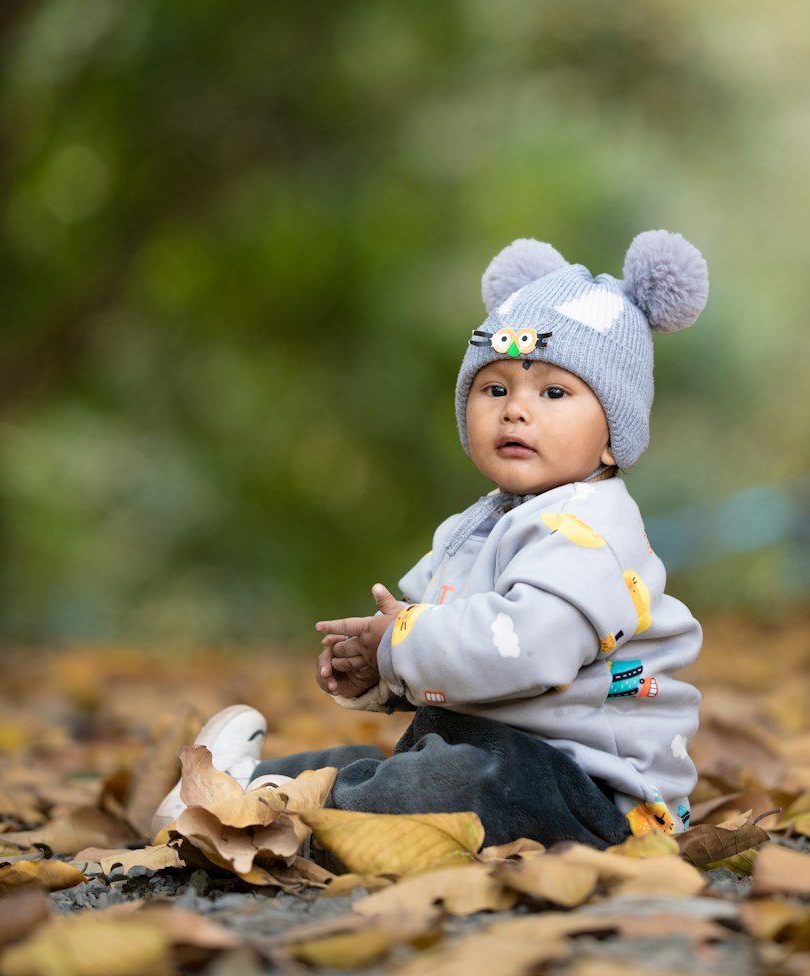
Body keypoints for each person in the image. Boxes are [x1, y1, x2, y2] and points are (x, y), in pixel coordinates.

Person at [153, 230, 709, 850]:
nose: (515, 411)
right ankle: (231, 788)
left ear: (614, 435)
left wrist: (400, 645)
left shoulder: (591, 530)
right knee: (370, 765)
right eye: (494, 389)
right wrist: (378, 667)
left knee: (433, 785)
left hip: (591, 790)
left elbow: (523, 650)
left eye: (554, 392)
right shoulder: (479, 524)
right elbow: (429, 634)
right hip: (493, 752)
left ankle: (264, 822)